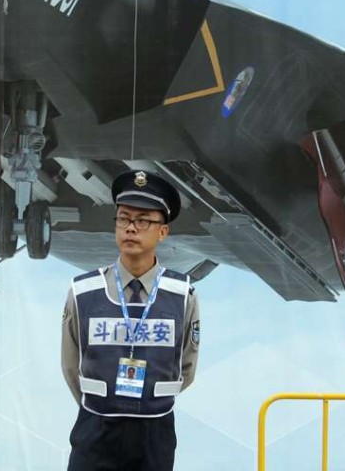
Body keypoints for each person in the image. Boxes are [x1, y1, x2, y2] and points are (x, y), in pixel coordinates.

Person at [61, 170, 200, 471]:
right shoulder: (83, 292)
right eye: (123, 219)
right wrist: (104, 402)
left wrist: (148, 401)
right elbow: (71, 365)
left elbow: (185, 368)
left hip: (154, 430)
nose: (131, 228)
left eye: (143, 220)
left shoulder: (182, 295)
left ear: (163, 232)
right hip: (96, 427)